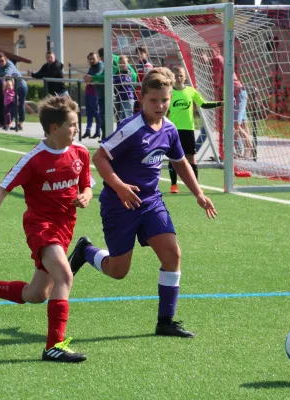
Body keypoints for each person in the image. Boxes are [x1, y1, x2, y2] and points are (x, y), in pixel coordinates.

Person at [68, 68, 217, 339]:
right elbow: (99, 158)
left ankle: (165, 322)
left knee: (173, 255)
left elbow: (180, 161)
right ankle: (85, 251)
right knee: (118, 271)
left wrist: (198, 193)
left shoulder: (170, 129)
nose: (160, 106)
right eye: (154, 100)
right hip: (119, 205)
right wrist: (120, 187)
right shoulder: (131, 128)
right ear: (142, 97)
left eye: (165, 100)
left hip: (151, 203)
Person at [0, 96, 93, 363]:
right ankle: (54, 346)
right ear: (54, 128)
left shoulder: (81, 153)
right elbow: (2, 188)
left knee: (37, 294)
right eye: (72, 125)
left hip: (65, 227)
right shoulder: (33, 159)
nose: (76, 129)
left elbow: (87, 185)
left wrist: (86, 195)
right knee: (64, 276)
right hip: (41, 226)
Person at [167, 65, 222, 193]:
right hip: (173, 130)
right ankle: (174, 185)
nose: (178, 78)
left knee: (191, 157)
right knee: (172, 157)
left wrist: (220, 103)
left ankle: (195, 185)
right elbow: (164, 110)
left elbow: (203, 104)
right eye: (176, 75)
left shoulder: (191, 91)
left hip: (188, 129)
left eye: (181, 75)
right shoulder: (169, 92)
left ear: (185, 77)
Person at [211, 44, 254, 167]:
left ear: (216, 50)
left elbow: (218, 81)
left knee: (235, 124)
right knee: (243, 125)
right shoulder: (218, 60)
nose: (209, 53)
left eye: (211, 50)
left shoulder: (219, 59)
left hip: (238, 94)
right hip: (235, 95)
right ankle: (243, 152)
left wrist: (207, 60)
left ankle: (250, 150)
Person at [84, 48, 137, 140]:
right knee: (119, 117)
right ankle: (116, 137)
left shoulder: (116, 61)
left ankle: (128, 137)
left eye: (103, 58)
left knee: (126, 117)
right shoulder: (109, 62)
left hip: (127, 94)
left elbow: (109, 78)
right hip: (119, 93)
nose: (103, 61)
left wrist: (93, 78)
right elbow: (107, 76)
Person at [0, 52, 28, 130]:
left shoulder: (10, 64)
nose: (0, 63)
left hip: (21, 86)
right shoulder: (0, 67)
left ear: (5, 60)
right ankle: (9, 123)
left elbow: (7, 74)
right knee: (12, 105)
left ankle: (20, 124)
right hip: (13, 88)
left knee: (20, 104)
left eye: (2, 61)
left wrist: (0, 75)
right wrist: (0, 74)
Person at [83, 52, 103, 139]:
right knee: (89, 113)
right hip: (88, 92)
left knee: (97, 113)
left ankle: (98, 131)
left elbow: (97, 76)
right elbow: (88, 78)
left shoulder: (100, 66)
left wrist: (90, 78)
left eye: (93, 59)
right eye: (90, 59)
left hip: (95, 93)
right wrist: (86, 78)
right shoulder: (91, 67)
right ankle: (88, 130)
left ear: (97, 58)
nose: (91, 60)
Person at [112, 55, 136, 121]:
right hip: (120, 98)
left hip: (128, 98)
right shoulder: (118, 72)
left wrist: (113, 80)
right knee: (121, 118)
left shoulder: (129, 71)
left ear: (127, 63)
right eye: (120, 63)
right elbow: (115, 79)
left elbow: (123, 79)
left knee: (128, 118)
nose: (122, 64)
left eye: (124, 63)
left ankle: (131, 131)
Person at [134, 46, 153, 114]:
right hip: (138, 92)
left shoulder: (147, 65)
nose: (139, 55)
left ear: (146, 54)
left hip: (144, 92)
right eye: (138, 53)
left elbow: (148, 80)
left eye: (141, 53)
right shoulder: (139, 66)